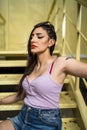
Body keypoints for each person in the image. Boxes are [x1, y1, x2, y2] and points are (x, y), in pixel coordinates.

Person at [0, 21, 87, 130]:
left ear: (51, 42)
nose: (33, 40)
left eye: (39, 37)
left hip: (44, 121)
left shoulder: (60, 63)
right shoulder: (32, 66)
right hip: (23, 116)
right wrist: (1, 101)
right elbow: (20, 96)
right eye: (32, 36)